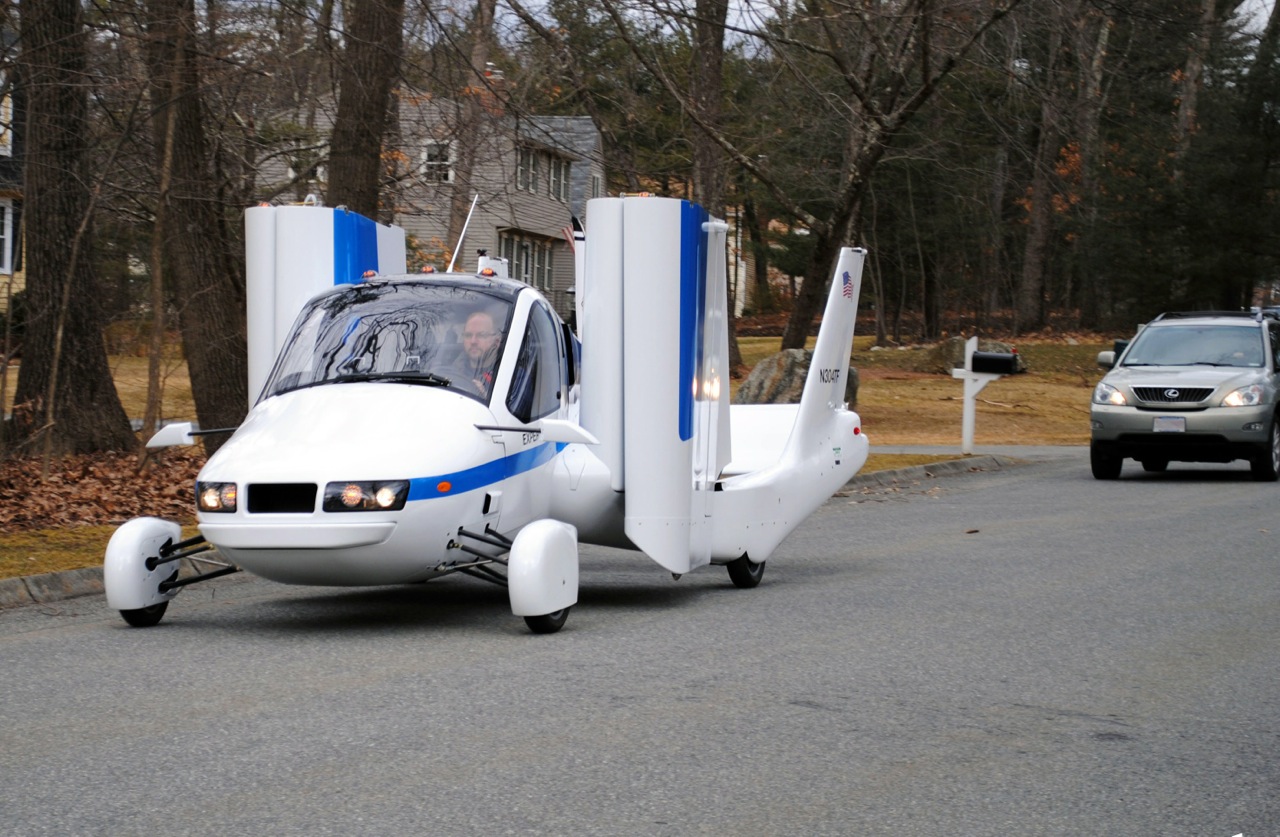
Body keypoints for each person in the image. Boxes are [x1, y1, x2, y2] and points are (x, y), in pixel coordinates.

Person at [448, 310, 502, 396]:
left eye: (481, 335)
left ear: (496, 341)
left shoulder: (509, 376)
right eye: (468, 335)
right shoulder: (449, 372)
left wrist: (485, 397)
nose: (473, 341)